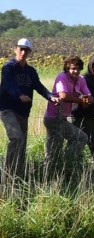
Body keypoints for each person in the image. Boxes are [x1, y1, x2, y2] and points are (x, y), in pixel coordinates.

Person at [0, 38, 59, 178]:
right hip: (7, 109)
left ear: (29, 52)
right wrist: (19, 94)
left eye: (26, 50)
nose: (23, 52)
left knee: (21, 146)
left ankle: (18, 175)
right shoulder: (8, 68)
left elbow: (38, 86)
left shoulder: (31, 71)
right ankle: (7, 174)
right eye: (21, 49)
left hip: (23, 111)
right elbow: (7, 85)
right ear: (15, 49)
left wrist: (50, 96)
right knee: (16, 138)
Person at [43, 55, 92, 175]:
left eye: (78, 68)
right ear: (67, 68)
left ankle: (64, 166)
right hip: (53, 118)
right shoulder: (62, 77)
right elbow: (63, 96)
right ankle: (52, 173)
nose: (75, 71)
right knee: (54, 150)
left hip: (62, 119)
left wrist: (88, 99)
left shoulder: (80, 79)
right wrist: (81, 101)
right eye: (73, 68)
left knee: (78, 138)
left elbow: (89, 96)